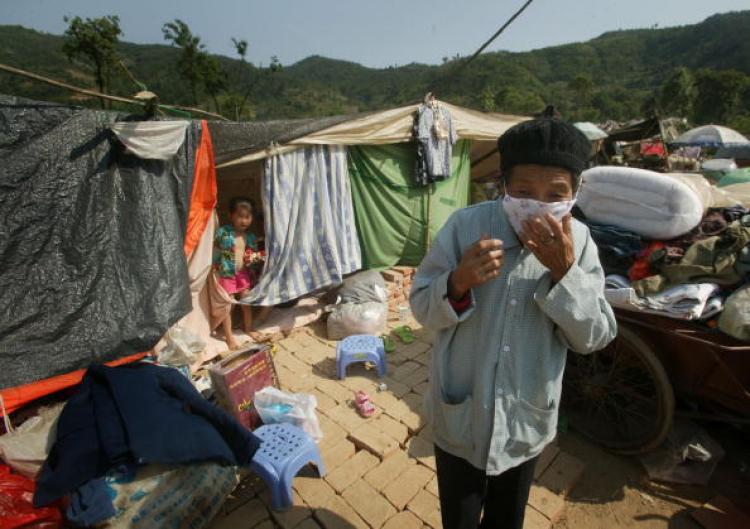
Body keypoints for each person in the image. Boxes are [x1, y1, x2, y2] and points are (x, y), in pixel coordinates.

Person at [410, 108, 617, 529]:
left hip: (525, 423)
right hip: (461, 419)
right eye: (524, 190)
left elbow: (595, 335)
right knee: (460, 518)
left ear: (575, 193)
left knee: (507, 520)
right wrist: (457, 281)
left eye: (554, 193)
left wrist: (565, 273)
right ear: (503, 186)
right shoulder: (465, 226)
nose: (538, 205)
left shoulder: (579, 242)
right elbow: (419, 307)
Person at [213, 196, 266, 349]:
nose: (244, 221)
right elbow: (216, 250)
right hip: (227, 274)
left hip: (243, 274)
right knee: (228, 305)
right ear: (231, 216)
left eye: (247, 217)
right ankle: (229, 336)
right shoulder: (223, 233)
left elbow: (252, 257)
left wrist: (256, 259)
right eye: (240, 216)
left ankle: (248, 328)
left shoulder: (249, 237)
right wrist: (214, 267)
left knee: (246, 301)